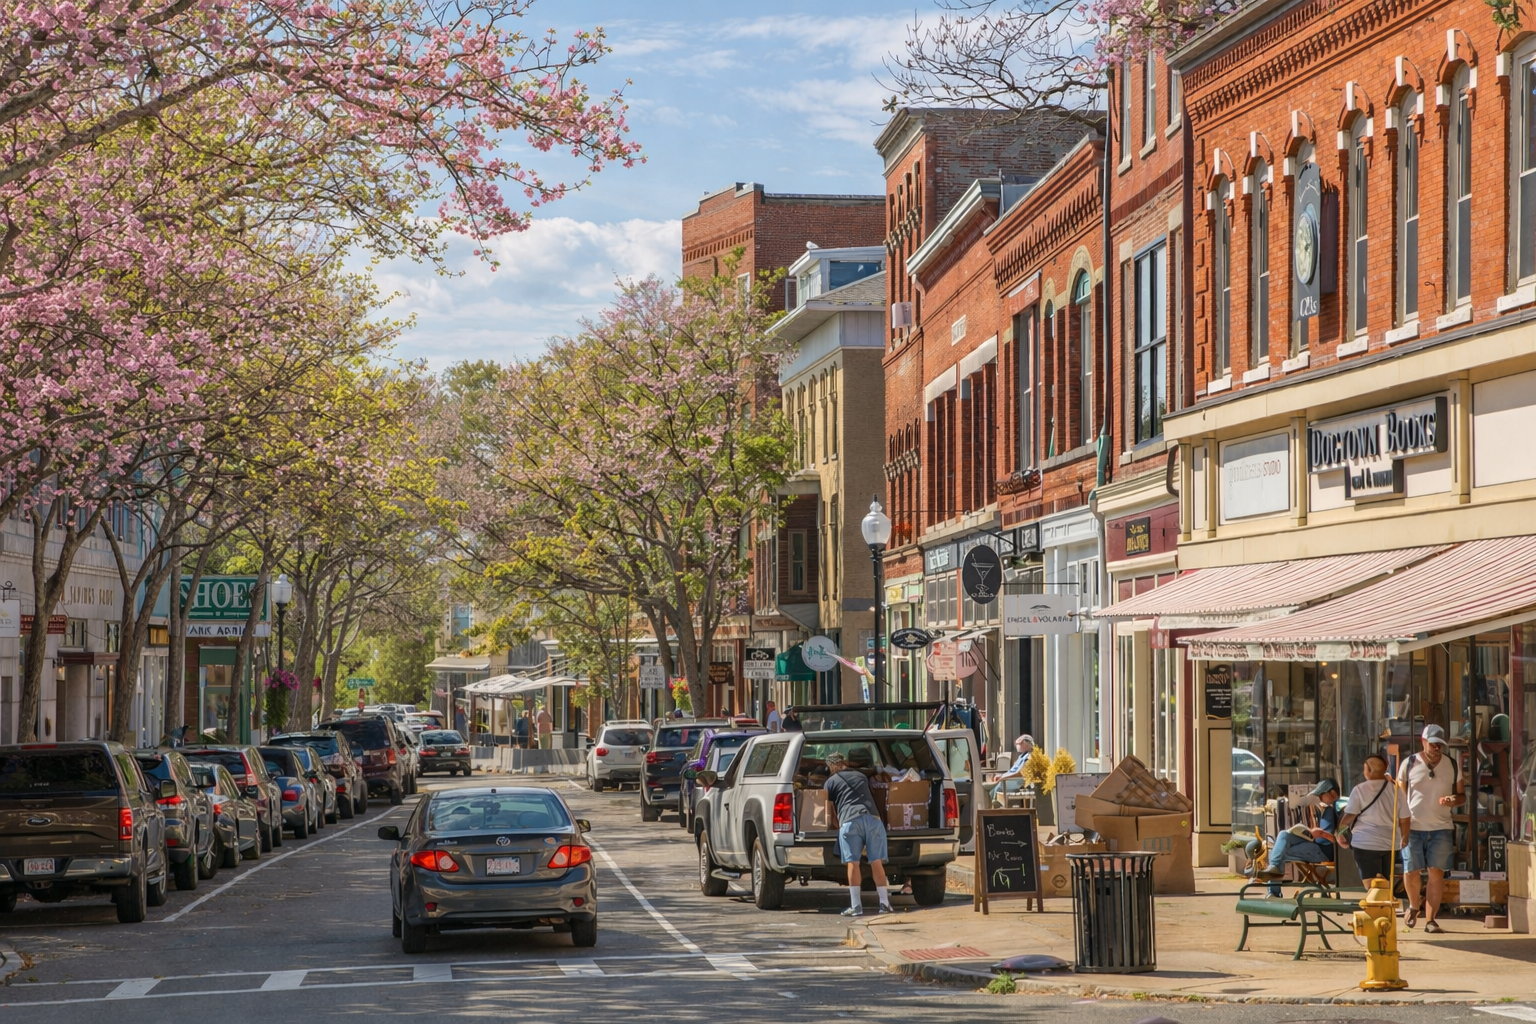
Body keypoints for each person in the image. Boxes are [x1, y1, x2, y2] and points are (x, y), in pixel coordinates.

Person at [1398, 724, 1463, 933]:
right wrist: (1401, 824)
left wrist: (1454, 799)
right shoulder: (1408, 764)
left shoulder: (1452, 764)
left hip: (1442, 827)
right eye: (1433, 744)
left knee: (1437, 873)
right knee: (1411, 870)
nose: (1437, 749)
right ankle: (1413, 905)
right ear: (1423, 742)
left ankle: (1431, 920)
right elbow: (1400, 797)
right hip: (1413, 826)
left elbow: (1462, 795)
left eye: (1440, 745)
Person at [824, 749, 893, 918]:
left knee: (853, 863)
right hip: (873, 819)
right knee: (876, 862)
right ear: (845, 763)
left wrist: (834, 825)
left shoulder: (830, 782)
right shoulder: (861, 776)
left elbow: (828, 811)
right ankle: (884, 903)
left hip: (850, 821)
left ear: (832, 766)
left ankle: (856, 906)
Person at [1253, 778, 1339, 896]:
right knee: (1283, 835)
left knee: (1278, 852)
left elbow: (1327, 840)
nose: (1319, 799)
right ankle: (1273, 877)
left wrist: (1321, 834)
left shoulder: (1331, 810)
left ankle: (1273, 893)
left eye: (1321, 795)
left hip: (1323, 850)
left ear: (1333, 794)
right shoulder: (1333, 810)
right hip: (1317, 845)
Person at [1336, 755, 1409, 885]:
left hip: (1365, 843)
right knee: (1385, 882)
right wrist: (1404, 838)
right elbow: (1404, 819)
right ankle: (1384, 904)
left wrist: (1340, 833)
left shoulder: (1359, 789)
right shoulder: (1395, 789)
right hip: (1390, 843)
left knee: (1371, 884)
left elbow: (1348, 817)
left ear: (1368, 770)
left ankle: (1376, 904)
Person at [984, 734, 1035, 805]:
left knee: (996, 786)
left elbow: (1021, 773)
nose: (1017, 745)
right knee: (988, 787)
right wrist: (1002, 775)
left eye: (1020, 743)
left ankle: (994, 804)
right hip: (1009, 778)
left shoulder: (1029, 757)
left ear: (1026, 744)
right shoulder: (1021, 756)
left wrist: (1004, 777)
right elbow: (1011, 771)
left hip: (1016, 780)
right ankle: (990, 804)